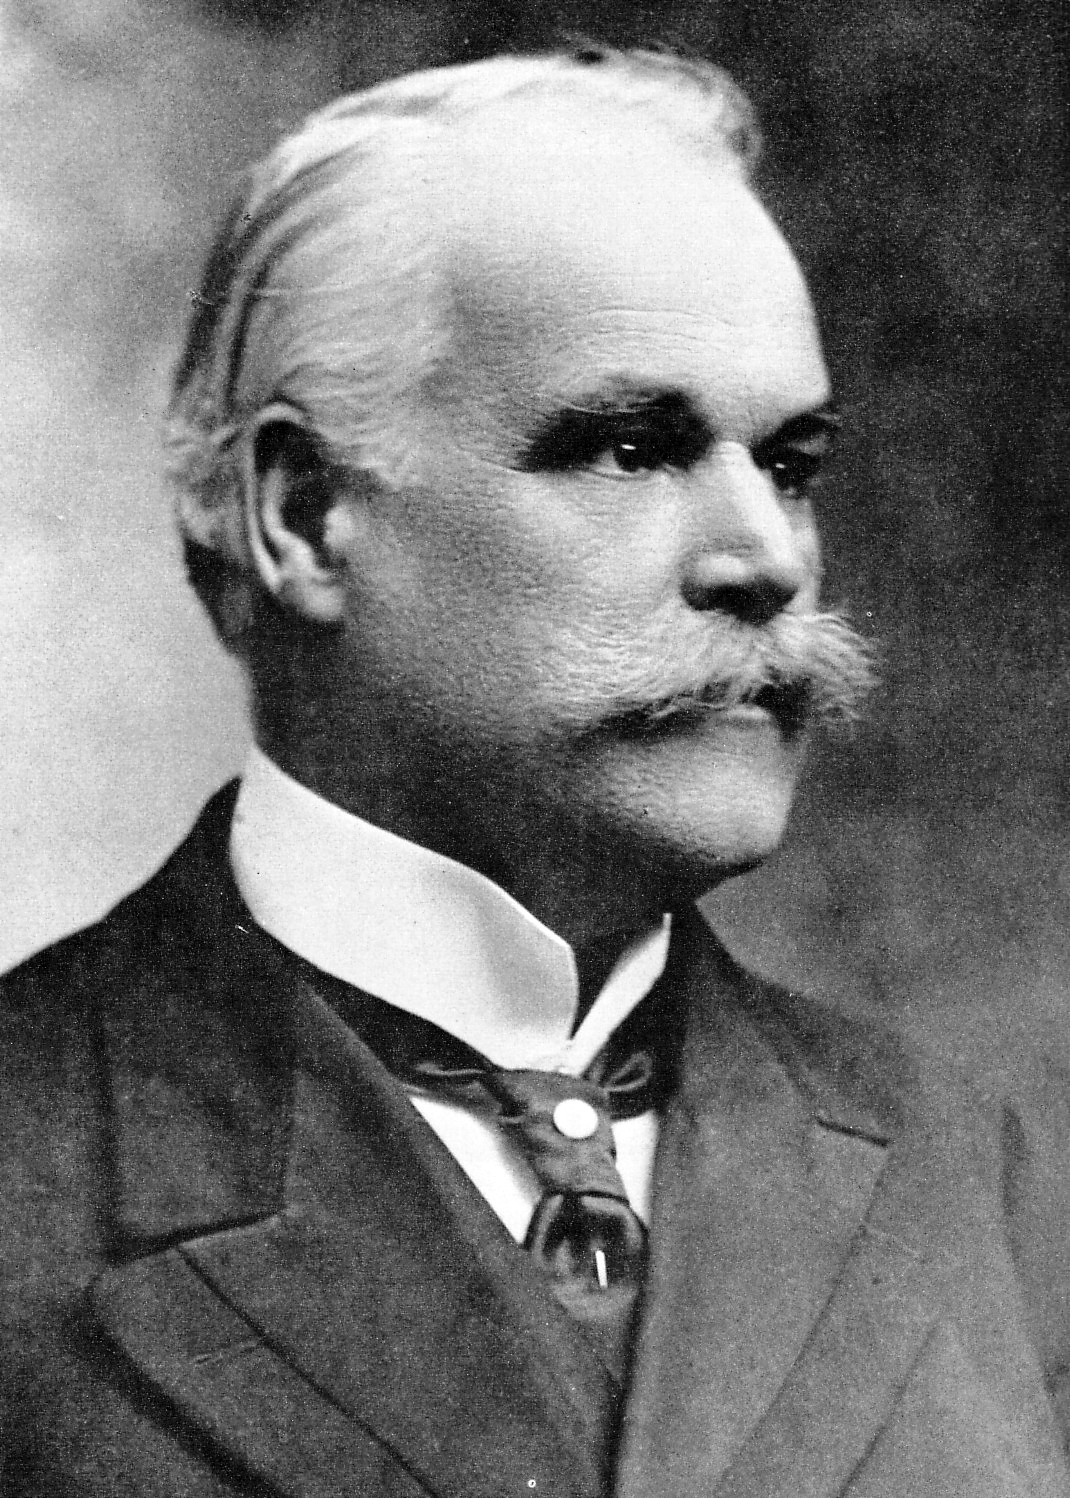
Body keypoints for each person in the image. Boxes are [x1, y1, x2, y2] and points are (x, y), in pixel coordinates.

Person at [1, 45, 1066, 1498]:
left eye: (791, 464)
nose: (765, 558)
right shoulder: (32, 1155)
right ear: (305, 514)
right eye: (629, 449)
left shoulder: (965, 1171)